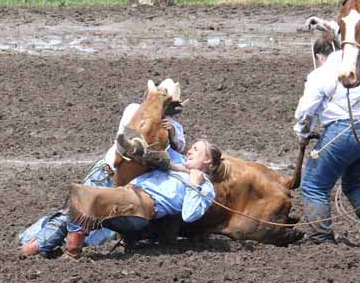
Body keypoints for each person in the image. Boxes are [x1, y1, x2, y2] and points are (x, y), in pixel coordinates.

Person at [19, 78, 187, 258]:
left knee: (87, 213)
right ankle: (39, 245)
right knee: (80, 210)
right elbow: (129, 138)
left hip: (132, 182)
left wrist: (172, 133)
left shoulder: (173, 127)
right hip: (109, 173)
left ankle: (43, 244)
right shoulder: (134, 110)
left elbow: (180, 148)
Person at [294, 19, 360, 245]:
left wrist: (302, 132)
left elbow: (306, 110)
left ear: (319, 56)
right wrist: (326, 24)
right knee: (356, 182)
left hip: (341, 131)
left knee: (313, 184)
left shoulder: (322, 73)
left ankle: (321, 237)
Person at [69, 140, 220, 240]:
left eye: (195, 149)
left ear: (207, 160)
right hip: (128, 194)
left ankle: (72, 250)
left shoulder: (205, 187)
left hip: (138, 207)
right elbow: (163, 143)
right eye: (191, 148)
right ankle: (48, 243)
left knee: (85, 198)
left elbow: (189, 215)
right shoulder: (178, 161)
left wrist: (194, 185)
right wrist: (171, 132)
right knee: (73, 208)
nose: (189, 151)